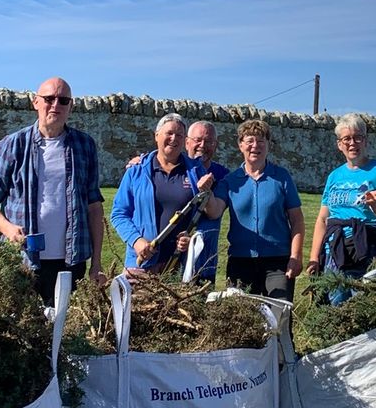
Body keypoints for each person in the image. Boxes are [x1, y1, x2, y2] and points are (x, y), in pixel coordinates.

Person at [0, 76, 104, 305]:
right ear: (35, 102)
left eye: (63, 100)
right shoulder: (13, 144)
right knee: (24, 329)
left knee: (65, 330)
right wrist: (7, 228)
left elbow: (94, 207)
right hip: (23, 259)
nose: (55, 105)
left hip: (71, 261)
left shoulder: (84, 145)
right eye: (49, 99)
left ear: (71, 107)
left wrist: (96, 263)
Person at [111, 113, 224, 274]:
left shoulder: (196, 171)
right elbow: (119, 214)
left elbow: (205, 214)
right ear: (156, 136)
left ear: (184, 140)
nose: (174, 138)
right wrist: (137, 241)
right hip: (141, 264)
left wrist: (190, 237)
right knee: (136, 299)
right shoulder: (136, 171)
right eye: (169, 133)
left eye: (179, 135)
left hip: (179, 266)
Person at [214, 119, 304, 298]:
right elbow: (214, 211)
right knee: (242, 320)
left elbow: (297, 220)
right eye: (250, 141)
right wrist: (206, 192)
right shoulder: (230, 181)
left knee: (279, 316)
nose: (255, 146)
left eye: (261, 141)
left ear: (268, 145)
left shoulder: (282, 177)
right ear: (241, 145)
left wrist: (296, 256)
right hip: (241, 261)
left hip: (277, 262)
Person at [306, 113, 376, 277]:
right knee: (332, 301)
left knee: (363, 301)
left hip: (368, 248)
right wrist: (314, 257)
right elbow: (323, 219)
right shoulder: (334, 176)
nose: (352, 143)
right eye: (346, 139)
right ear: (339, 144)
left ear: (365, 141)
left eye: (358, 138)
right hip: (334, 249)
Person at [184, 120, 230, 285]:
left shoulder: (223, 175)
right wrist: (142, 160)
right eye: (197, 140)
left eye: (208, 141)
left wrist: (206, 190)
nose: (202, 145)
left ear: (216, 145)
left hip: (205, 260)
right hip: (173, 257)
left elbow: (214, 212)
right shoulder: (175, 168)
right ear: (187, 141)